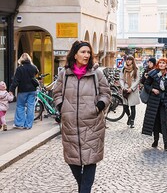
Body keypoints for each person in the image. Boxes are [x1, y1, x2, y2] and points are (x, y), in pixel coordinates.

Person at [53, 40, 111, 193]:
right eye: (83, 52)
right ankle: (83, 188)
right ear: (75, 54)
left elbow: (106, 94)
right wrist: (61, 107)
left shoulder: (96, 73)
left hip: (92, 124)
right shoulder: (64, 74)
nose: (86, 55)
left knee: (91, 161)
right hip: (70, 125)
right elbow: (57, 93)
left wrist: (98, 106)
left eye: (88, 52)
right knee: (73, 162)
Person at [141, 58, 167, 150]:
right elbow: (146, 85)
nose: (161, 64)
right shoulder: (153, 74)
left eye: (163, 63)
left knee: (164, 121)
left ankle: (166, 143)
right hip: (154, 101)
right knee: (155, 121)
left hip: (165, 102)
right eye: (160, 63)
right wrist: (152, 89)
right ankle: (156, 140)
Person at [9, 53, 39, 130]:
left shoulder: (20, 69)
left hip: (23, 90)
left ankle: (19, 124)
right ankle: (28, 125)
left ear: (21, 59)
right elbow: (36, 72)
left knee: (20, 106)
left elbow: (16, 81)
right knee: (31, 107)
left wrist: (11, 90)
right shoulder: (33, 67)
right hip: (32, 90)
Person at [119, 55, 140, 128]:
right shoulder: (123, 69)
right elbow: (121, 79)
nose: (128, 61)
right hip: (125, 88)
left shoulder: (136, 69)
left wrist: (131, 88)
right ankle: (129, 116)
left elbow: (137, 80)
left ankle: (132, 121)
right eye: (127, 60)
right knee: (125, 106)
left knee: (132, 106)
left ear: (132, 61)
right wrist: (123, 87)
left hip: (132, 90)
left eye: (130, 60)